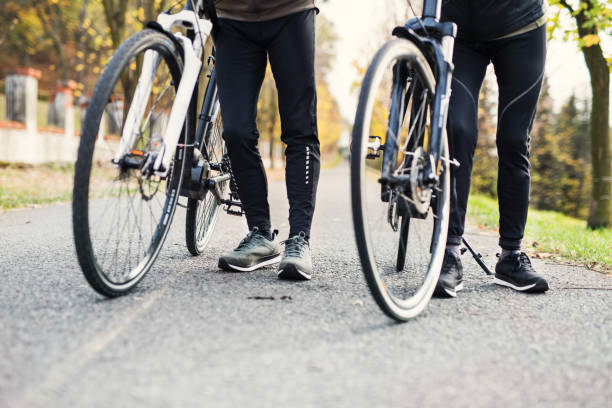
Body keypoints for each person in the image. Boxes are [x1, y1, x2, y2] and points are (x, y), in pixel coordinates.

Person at [434, 0, 550, 297]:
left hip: (521, 25)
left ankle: (511, 255)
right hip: (460, 30)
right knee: (457, 131)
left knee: (513, 139)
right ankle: (449, 252)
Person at [211, 0, 320, 281]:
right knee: (236, 132)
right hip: (231, 17)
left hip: (290, 12)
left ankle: (299, 240)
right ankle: (260, 234)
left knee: (299, 130)